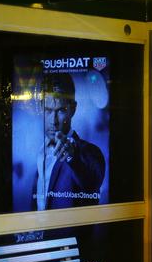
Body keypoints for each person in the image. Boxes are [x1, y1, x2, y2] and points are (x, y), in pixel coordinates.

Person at [33, 72, 105, 210]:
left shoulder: (91, 152)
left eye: (60, 111)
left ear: (72, 109)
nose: (53, 121)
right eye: (48, 110)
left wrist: (73, 158)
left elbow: (91, 187)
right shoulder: (41, 153)